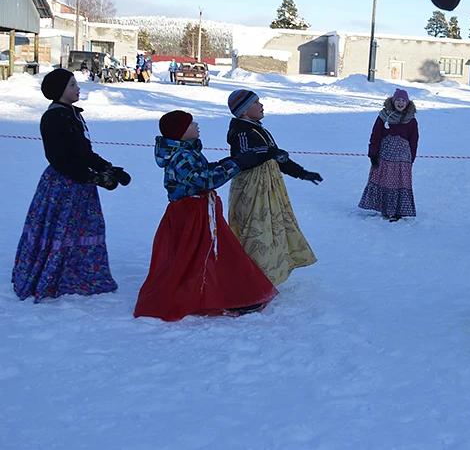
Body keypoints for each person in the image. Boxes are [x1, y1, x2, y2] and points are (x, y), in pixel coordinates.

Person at [134, 110, 279, 321]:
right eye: (191, 123)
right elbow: (203, 180)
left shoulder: (187, 152)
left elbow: (204, 171)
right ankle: (195, 296)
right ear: (181, 132)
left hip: (200, 211)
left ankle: (220, 293)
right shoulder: (181, 156)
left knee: (208, 253)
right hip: (189, 214)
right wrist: (237, 164)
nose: (197, 125)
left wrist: (228, 162)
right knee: (194, 255)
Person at [12, 69, 131, 302]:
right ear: (59, 91)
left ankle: (78, 273)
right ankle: (55, 274)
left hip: (80, 185)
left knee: (80, 230)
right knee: (62, 231)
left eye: (76, 84)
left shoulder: (72, 114)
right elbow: (60, 160)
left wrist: (108, 168)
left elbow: (83, 152)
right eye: (72, 85)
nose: (77, 88)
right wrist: (93, 178)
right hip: (63, 186)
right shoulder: (54, 118)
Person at [226, 90, 320, 285]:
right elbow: (245, 155)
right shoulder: (241, 131)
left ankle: (264, 276)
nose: (261, 105)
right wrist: (271, 152)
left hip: (268, 187)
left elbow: (278, 159)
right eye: (256, 102)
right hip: (252, 190)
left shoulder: (258, 128)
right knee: (254, 231)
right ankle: (248, 280)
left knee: (270, 230)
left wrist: (302, 173)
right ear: (243, 111)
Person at [359, 88, 419, 221]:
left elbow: (414, 141)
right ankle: (385, 208)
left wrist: (411, 160)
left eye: (403, 100)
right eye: (398, 100)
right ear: (393, 101)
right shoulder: (383, 116)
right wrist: (373, 154)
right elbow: (375, 135)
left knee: (400, 184)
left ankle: (398, 210)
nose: (400, 103)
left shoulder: (411, 120)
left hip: (402, 159)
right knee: (385, 182)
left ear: (407, 103)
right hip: (384, 156)